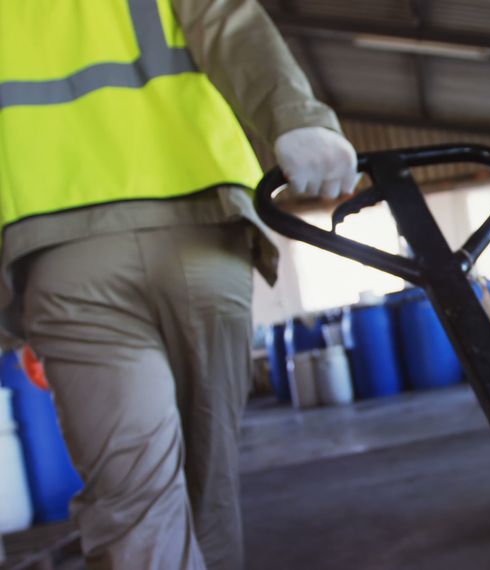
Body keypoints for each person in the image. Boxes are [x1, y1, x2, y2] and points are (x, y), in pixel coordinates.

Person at [0, 1, 359, 568]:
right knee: (207, 492)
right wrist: (297, 116)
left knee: (133, 504)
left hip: (61, 248)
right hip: (197, 228)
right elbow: (227, 21)